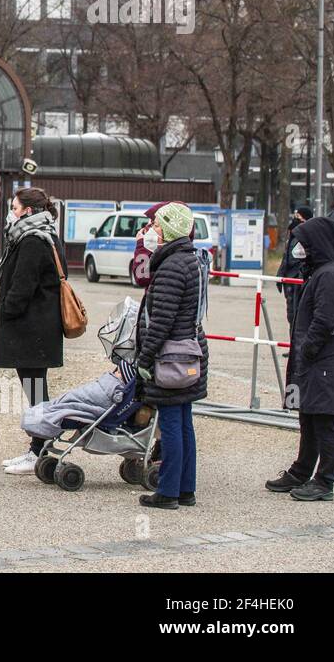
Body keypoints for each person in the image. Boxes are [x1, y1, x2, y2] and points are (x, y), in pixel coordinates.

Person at [266, 214, 334, 501]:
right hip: (313, 361)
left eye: (305, 244)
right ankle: (301, 470)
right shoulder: (321, 272)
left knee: (325, 421)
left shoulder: (330, 275)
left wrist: (307, 350)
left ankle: (324, 481)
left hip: (325, 361)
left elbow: (324, 320)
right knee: (308, 416)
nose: (301, 249)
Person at [136, 202, 209, 510]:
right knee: (183, 422)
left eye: (156, 225)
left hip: (171, 358)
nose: (152, 230)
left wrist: (144, 357)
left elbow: (161, 320)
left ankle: (167, 491)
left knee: (170, 423)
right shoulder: (191, 260)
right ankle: (185, 488)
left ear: (167, 229)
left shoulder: (171, 266)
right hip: (190, 352)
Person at [0, 187, 65, 475]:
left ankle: (40, 449)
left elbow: (22, 287)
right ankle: (39, 446)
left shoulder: (33, 240)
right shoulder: (43, 235)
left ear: (28, 211)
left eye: (14, 207)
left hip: (32, 329)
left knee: (36, 392)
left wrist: (6, 312)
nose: (11, 212)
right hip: (38, 330)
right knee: (36, 389)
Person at [277, 206, 314, 336]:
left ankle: (299, 347)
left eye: (298, 217)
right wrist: (280, 275)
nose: (295, 219)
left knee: (300, 315)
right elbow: (286, 257)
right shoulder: (292, 234)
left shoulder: (309, 235)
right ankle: (292, 345)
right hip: (289, 280)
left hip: (299, 280)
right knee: (291, 315)